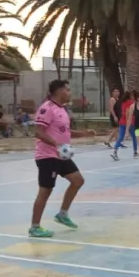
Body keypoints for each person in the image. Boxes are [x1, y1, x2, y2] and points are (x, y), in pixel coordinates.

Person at [30, 79, 84, 238]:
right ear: (59, 91)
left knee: (78, 180)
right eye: (67, 90)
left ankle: (62, 214)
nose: (70, 93)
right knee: (45, 191)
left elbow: (65, 132)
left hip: (60, 155)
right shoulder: (47, 108)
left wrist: (85, 133)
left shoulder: (62, 110)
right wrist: (56, 144)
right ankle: (34, 227)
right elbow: (38, 132)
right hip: (47, 156)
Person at [110, 91, 138, 161]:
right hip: (130, 123)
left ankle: (115, 151)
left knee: (120, 137)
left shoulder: (123, 103)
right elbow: (127, 114)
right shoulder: (131, 103)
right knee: (134, 137)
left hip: (122, 122)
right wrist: (129, 125)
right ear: (130, 96)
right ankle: (135, 152)